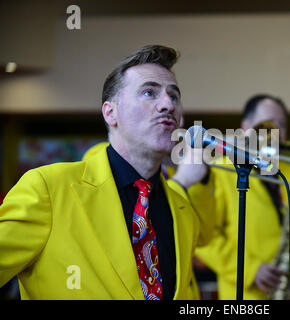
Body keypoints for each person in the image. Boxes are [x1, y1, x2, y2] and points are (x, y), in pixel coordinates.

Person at [0, 45, 214, 300]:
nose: (168, 104)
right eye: (149, 92)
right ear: (110, 112)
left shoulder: (182, 210)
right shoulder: (48, 188)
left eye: (174, 96)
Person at [174, 94, 290, 300]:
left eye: (282, 124)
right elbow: (203, 238)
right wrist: (249, 269)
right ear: (245, 127)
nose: (275, 130)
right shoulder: (221, 170)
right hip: (250, 294)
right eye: (268, 122)